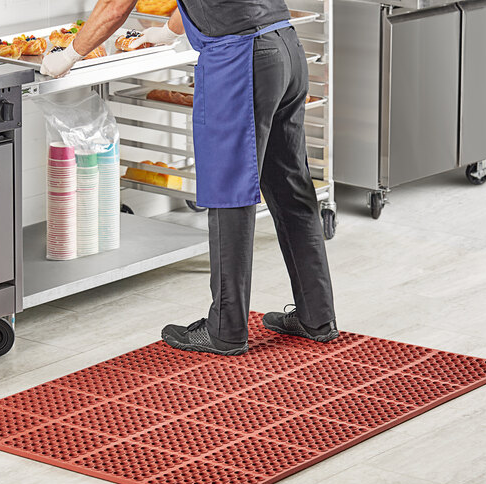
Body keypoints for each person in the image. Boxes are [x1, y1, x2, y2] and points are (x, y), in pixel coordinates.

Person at [41, 0, 338, 356]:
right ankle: (317, 317)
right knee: (292, 187)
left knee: (228, 192)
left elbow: (114, 7)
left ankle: (226, 331)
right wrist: (167, 31)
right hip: (285, 47)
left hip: (241, 58)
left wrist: (69, 54)